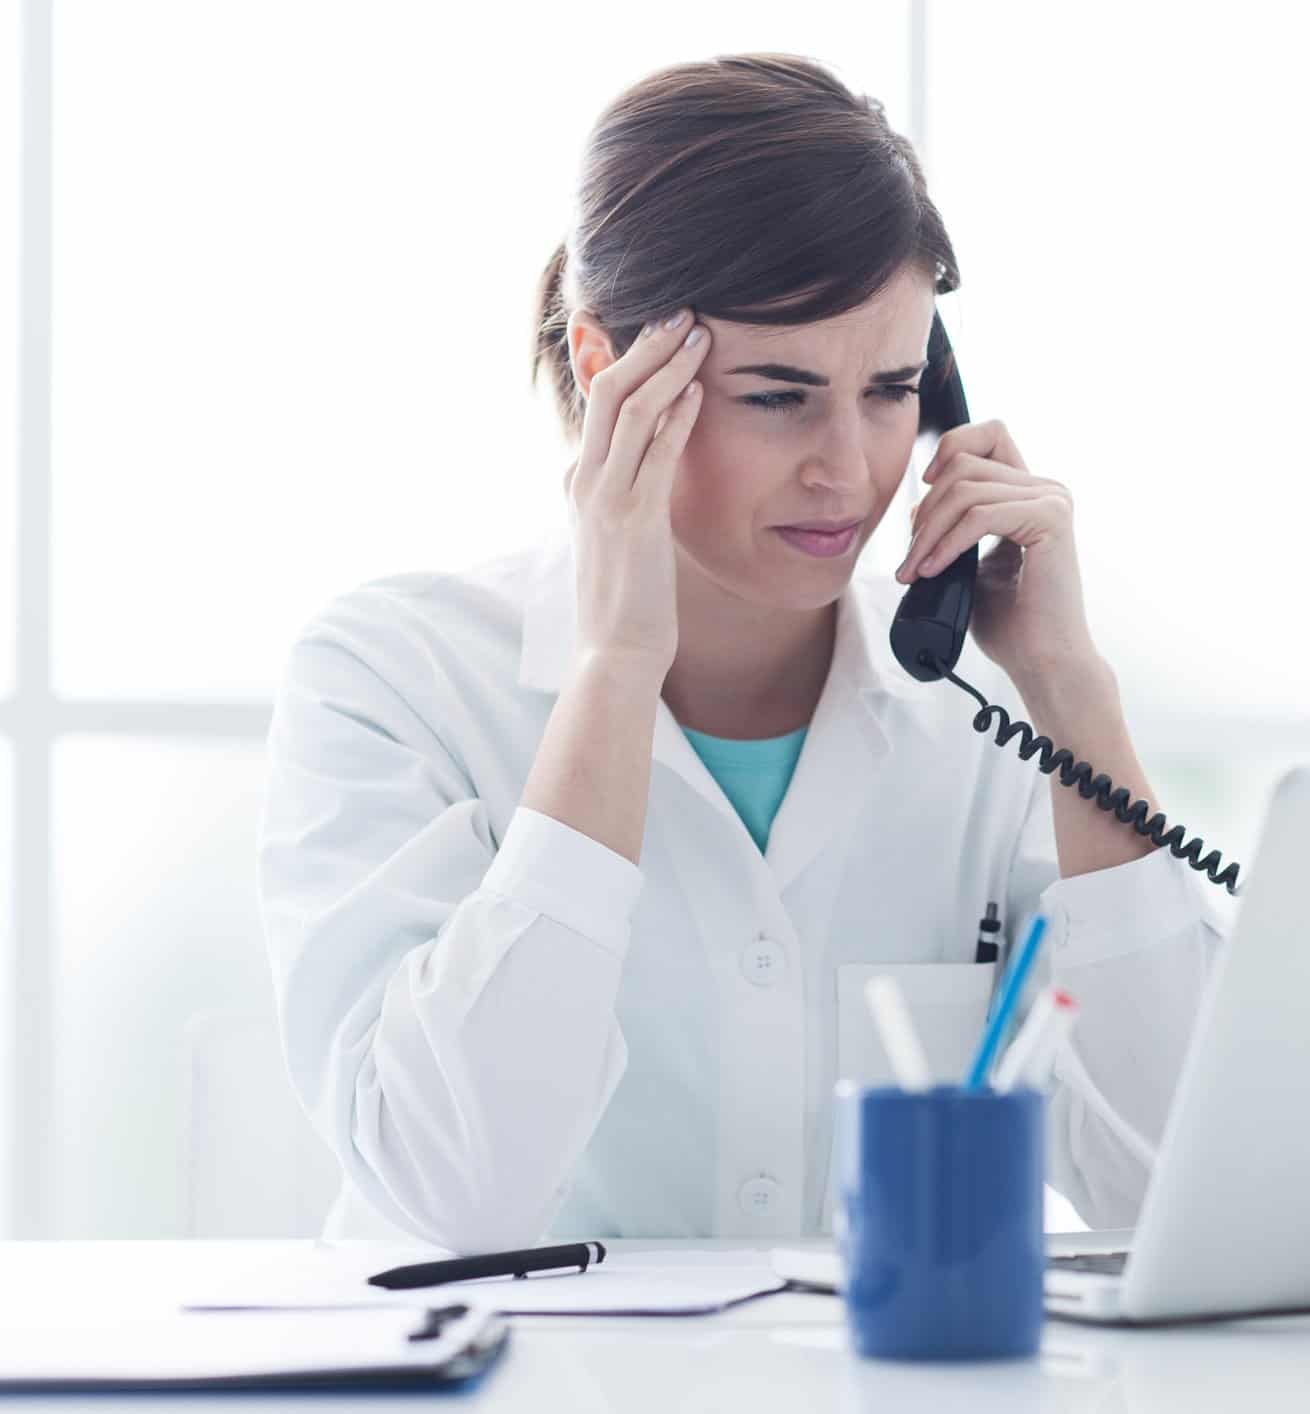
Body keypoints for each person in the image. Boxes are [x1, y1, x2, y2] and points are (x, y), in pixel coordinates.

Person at [255, 54, 1230, 1253]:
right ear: (615, 375)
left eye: (889, 391)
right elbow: (459, 1193)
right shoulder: (393, 676)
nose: (848, 466)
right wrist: (615, 667)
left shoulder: (982, 722)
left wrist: (1074, 694)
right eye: (778, 395)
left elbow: (1177, 1194)